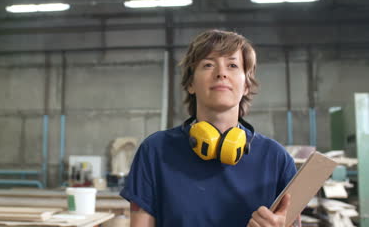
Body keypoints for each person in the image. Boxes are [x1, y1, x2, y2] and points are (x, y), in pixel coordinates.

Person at [120, 29, 300, 227]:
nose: (221, 73)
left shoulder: (276, 159)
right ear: (190, 84)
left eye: (232, 65)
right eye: (208, 64)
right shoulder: (155, 151)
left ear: (246, 85)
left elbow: (292, 222)